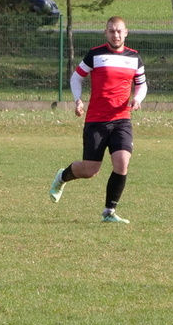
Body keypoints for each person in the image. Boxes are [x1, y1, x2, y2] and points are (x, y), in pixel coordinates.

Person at [48, 16, 147, 223]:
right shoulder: (95, 54)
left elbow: (141, 84)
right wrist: (78, 100)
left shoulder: (134, 57)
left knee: (122, 162)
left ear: (126, 32)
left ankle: (109, 212)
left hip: (121, 119)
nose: (116, 35)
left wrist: (137, 99)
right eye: (112, 31)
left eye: (119, 31)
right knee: (90, 170)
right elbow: (76, 77)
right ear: (106, 33)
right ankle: (62, 176)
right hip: (96, 121)